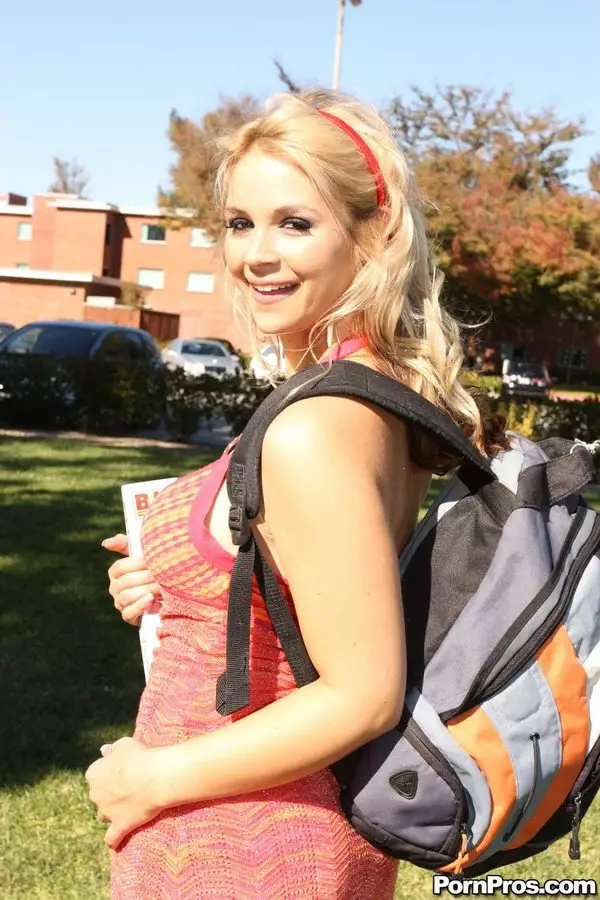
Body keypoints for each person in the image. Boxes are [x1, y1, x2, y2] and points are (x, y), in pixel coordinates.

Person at [86, 88, 502, 899]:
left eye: (295, 223)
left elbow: (362, 695)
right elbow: (301, 596)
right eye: (240, 223)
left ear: (372, 235)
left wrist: (151, 779)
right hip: (245, 830)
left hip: (250, 849)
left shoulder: (317, 425)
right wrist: (178, 585)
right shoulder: (359, 391)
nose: (256, 254)